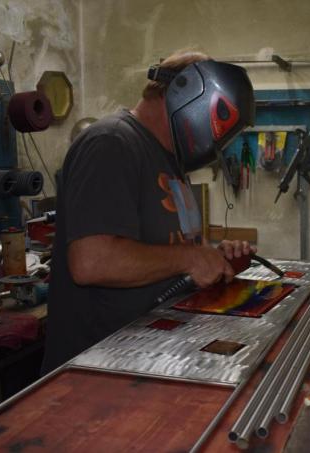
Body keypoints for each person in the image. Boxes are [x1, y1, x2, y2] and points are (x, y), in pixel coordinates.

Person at [41, 50, 256, 373]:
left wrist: (211, 258)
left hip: (146, 358)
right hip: (95, 371)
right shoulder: (111, 144)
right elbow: (91, 262)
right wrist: (190, 258)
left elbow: (162, 252)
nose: (217, 141)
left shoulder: (170, 159)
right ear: (187, 96)